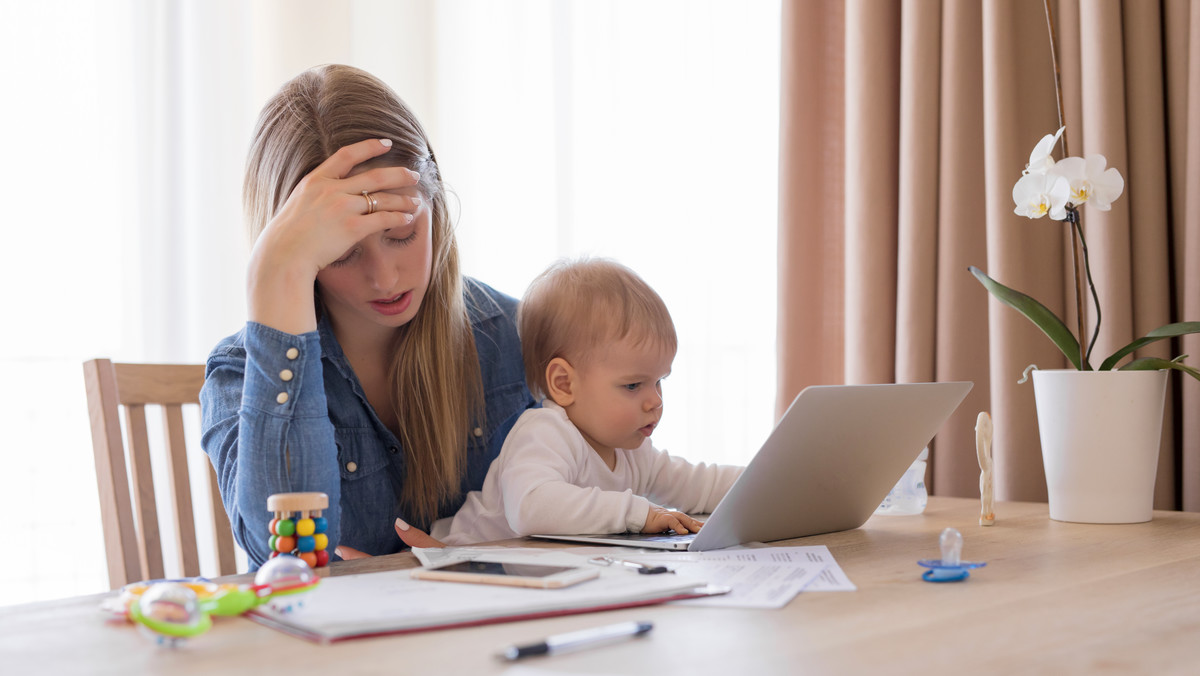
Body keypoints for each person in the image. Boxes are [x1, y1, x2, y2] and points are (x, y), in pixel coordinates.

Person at [200, 64, 535, 567]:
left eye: (401, 233)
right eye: (342, 253)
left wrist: (462, 564)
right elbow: (287, 556)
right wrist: (271, 277)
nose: (385, 278)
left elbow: (599, 510)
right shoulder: (240, 374)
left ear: (435, 205)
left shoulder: (513, 335)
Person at [424, 258, 743, 546]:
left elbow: (700, 484)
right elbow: (531, 507)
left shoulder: (632, 450)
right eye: (633, 385)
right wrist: (636, 513)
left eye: (659, 381)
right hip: (463, 567)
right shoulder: (545, 433)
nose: (655, 401)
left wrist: (776, 483)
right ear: (564, 384)